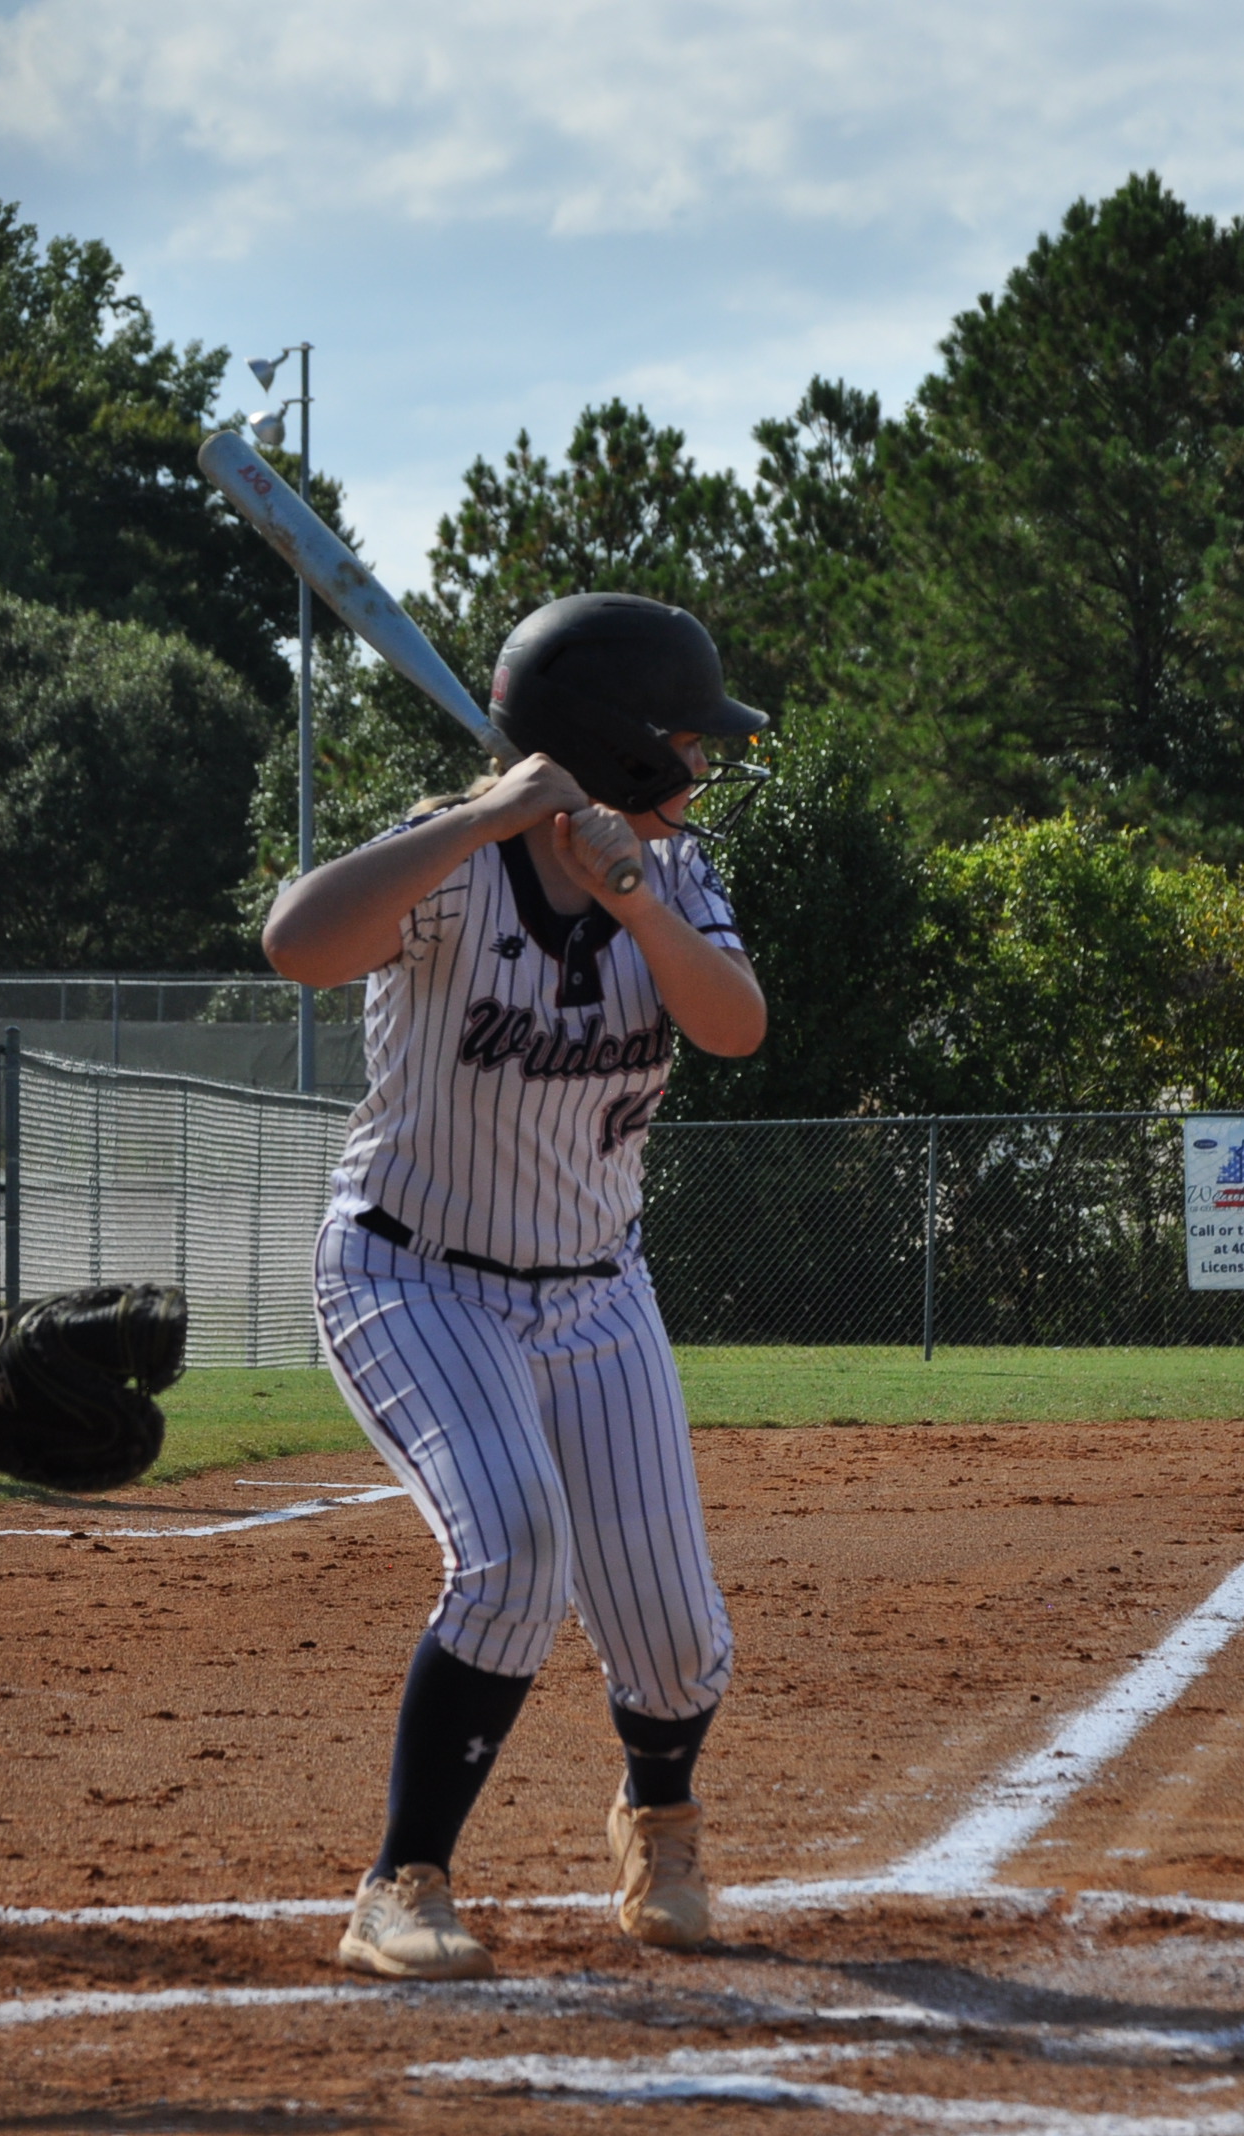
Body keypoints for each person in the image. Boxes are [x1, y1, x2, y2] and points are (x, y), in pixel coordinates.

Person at [260, 593, 770, 1982]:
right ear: (620, 743)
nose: (702, 768)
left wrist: (631, 897)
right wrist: (480, 820)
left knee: (676, 1645)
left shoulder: (669, 870)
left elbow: (732, 1024)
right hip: (414, 1276)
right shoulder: (452, 864)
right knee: (510, 1551)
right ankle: (400, 1881)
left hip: (596, 1294)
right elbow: (297, 941)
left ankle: (656, 1814)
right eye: (683, 740)